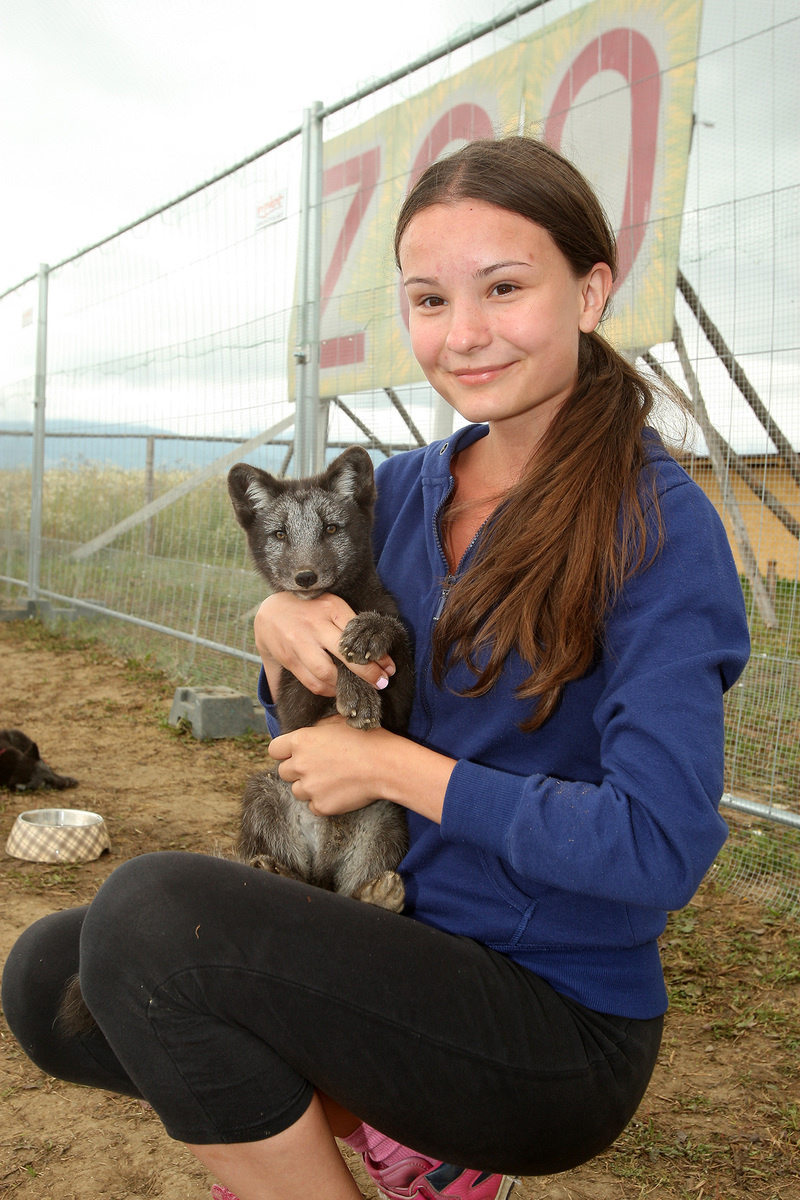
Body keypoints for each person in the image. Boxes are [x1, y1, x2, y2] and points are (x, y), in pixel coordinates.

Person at [2, 136, 750, 1200]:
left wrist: (396, 771)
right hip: (379, 932)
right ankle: (396, 1137)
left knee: (151, 921)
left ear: (589, 291)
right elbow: (316, 699)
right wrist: (276, 628)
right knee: (47, 978)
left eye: (503, 287)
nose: (465, 333)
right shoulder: (393, 492)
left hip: (545, 1018)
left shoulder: (657, 530)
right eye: (428, 300)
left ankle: (412, 1136)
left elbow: (659, 845)